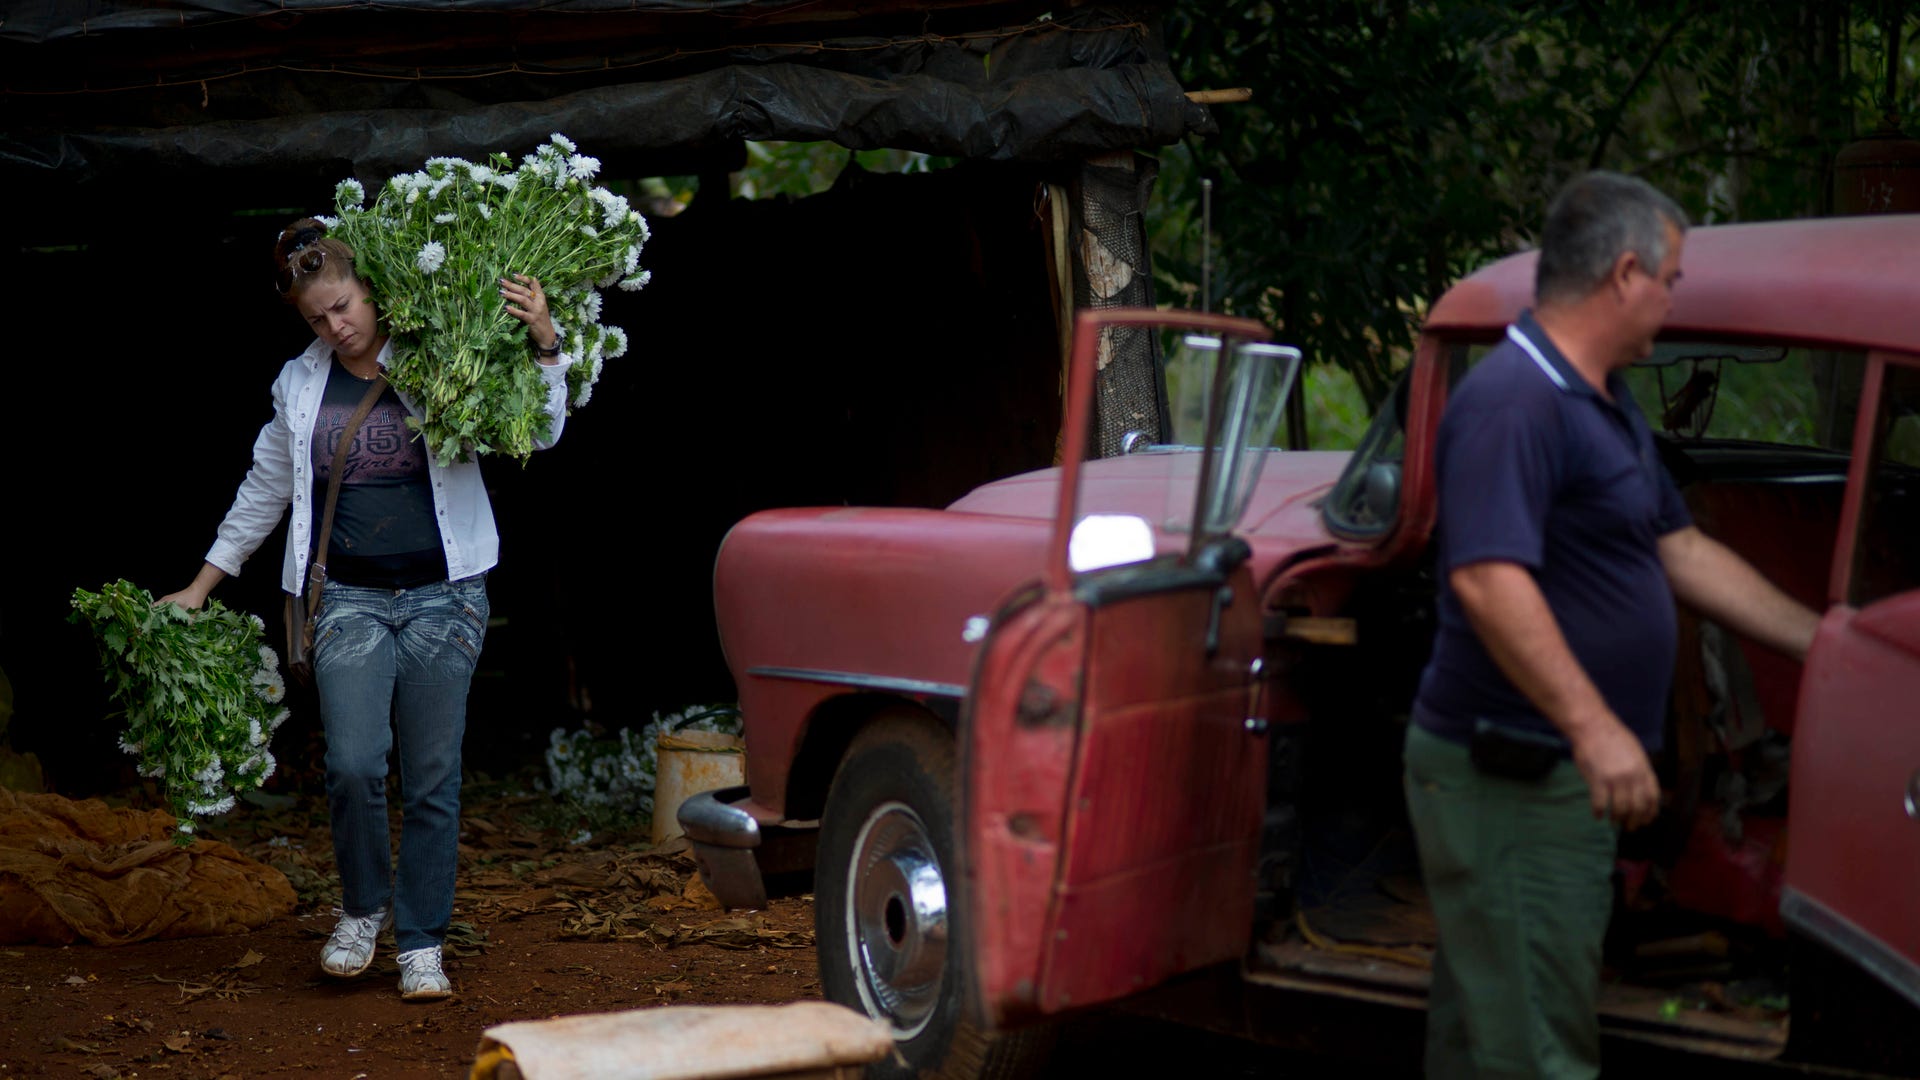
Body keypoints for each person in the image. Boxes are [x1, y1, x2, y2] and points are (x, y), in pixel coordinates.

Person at [1403, 171, 1821, 1078]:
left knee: (1486, 1035)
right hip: (1512, 774)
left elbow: (1681, 552)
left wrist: (1828, 644)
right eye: (1670, 281)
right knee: (1539, 1052)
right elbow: (1486, 579)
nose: (1673, 301)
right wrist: (1595, 730)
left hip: (1547, 773)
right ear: (1625, 274)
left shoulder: (1603, 401)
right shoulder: (1515, 402)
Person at [159, 217, 573, 1001]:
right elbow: (266, 489)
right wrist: (203, 583)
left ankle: (421, 942)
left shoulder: (446, 352)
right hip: (346, 597)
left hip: (445, 598)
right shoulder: (299, 384)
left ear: (374, 290)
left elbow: (539, 434)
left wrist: (546, 343)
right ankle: (361, 910)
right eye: (318, 316)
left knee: (432, 775)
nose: (336, 325)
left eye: (344, 305)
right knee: (351, 765)